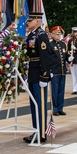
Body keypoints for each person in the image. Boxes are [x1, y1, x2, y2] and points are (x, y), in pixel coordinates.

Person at [24, 12, 56, 144]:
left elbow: (46, 57)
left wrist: (44, 76)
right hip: (32, 73)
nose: (28, 23)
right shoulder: (31, 35)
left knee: (40, 104)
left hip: (39, 74)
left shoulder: (41, 35)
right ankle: (36, 129)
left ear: (37, 21)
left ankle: (41, 133)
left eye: (30, 21)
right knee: (34, 104)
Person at [49, 26, 68, 115]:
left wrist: (70, 59)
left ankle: (60, 108)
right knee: (55, 91)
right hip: (54, 71)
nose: (59, 36)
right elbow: (48, 58)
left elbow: (66, 57)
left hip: (62, 71)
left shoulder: (63, 44)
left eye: (59, 34)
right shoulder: (50, 44)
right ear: (52, 34)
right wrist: (50, 70)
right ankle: (55, 109)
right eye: (57, 34)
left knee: (61, 90)